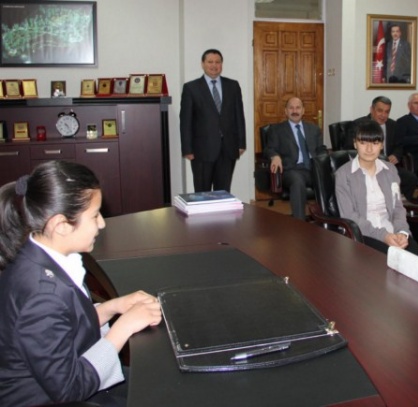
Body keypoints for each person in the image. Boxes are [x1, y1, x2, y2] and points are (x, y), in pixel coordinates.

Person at [0, 161, 162, 406]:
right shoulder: (41, 295)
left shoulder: (40, 256)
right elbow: (69, 389)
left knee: (158, 384)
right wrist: (124, 327)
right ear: (61, 225)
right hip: (49, 397)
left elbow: (66, 324)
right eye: (95, 216)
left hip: (66, 380)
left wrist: (113, 307)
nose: (102, 223)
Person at [335, 120, 418, 259]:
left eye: (375, 143)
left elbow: (398, 208)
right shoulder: (343, 174)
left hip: (393, 232)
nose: (369, 149)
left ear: (382, 145)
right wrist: (383, 236)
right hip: (363, 235)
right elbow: (349, 216)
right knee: (396, 264)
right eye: (363, 142)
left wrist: (402, 232)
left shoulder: (390, 170)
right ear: (355, 143)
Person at [180, 48, 246, 192]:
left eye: (218, 62)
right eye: (210, 62)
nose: (214, 65)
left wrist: (241, 143)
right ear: (202, 64)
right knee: (202, 192)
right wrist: (187, 149)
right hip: (201, 150)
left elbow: (239, 116)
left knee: (223, 192)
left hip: (228, 149)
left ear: (222, 64)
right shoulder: (191, 88)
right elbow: (185, 121)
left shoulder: (233, 86)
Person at [264, 97, 328, 220]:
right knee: (297, 182)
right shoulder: (276, 130)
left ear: (303, 110)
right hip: (290, 170)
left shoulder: (313, 129)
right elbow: (269, 149)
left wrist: (324, 159)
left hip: (312, 168)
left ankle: (330, 219)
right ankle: (300, 223)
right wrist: (275, 156)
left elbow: (321, 149)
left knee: (334, 177)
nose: (295, 111)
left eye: (298, 108)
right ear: (286, 111)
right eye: (291, 108)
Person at [347, 96, 418, 201]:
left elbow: (399, 145)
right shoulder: (358, 125)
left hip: (388, 166)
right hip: (367, 167)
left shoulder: (393, 125)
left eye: (387, 112)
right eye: (380, 111)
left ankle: (400, 205)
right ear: (372, 110)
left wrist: (396, 155)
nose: (383, 115)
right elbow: (349, 148)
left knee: (411, 179)